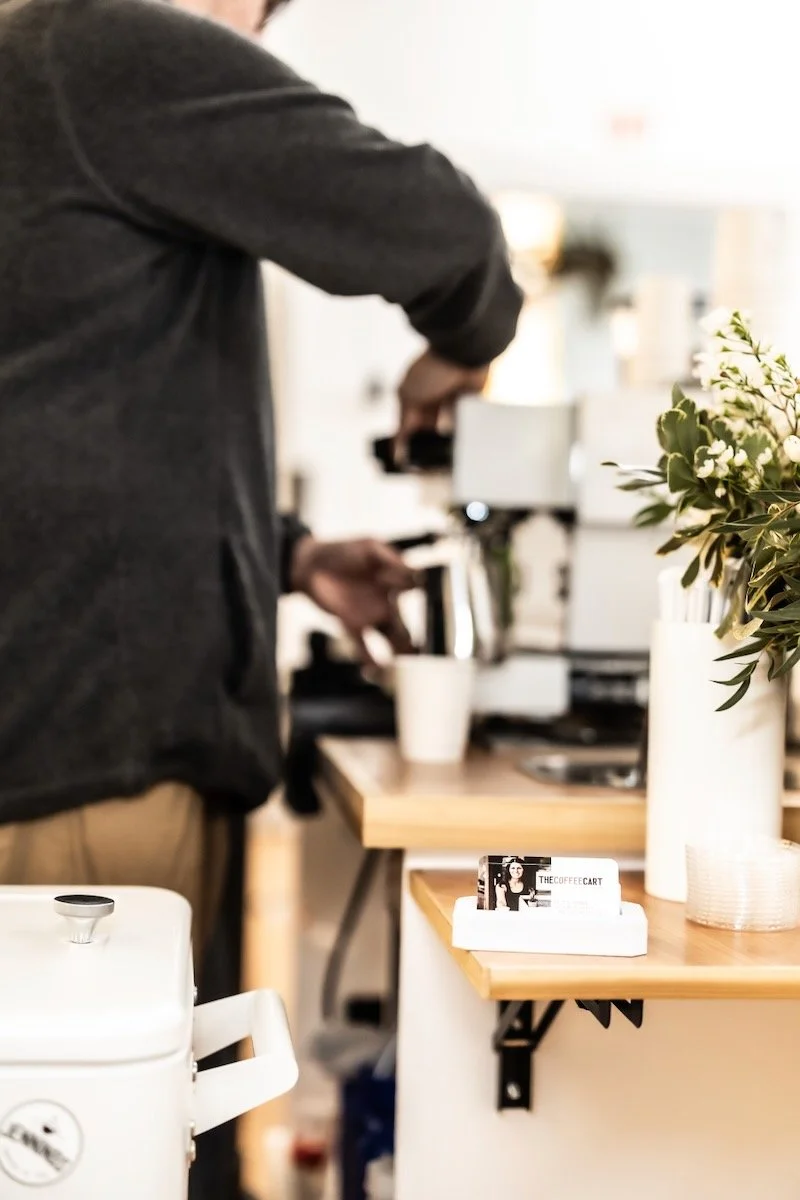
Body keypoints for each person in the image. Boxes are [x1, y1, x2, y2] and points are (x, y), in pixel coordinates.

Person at [0, 0, 521, 1189]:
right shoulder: (103, 48)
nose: (252, 43)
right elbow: (443, 231)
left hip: (69, 755)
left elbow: (79, 423)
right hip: (91, 777)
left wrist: (284, 556)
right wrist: (463, 348)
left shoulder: (40, 73)